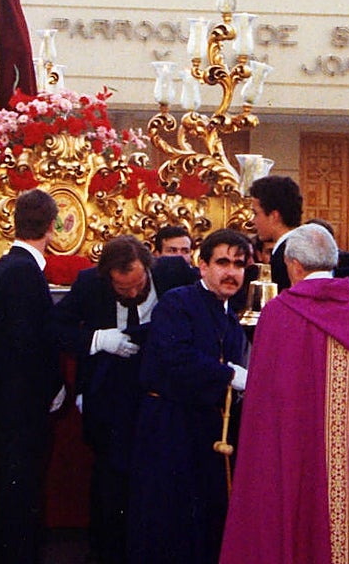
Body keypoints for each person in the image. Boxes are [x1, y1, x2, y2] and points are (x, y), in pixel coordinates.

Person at [220, 224, 349, 563]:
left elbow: (264, 404)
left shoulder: (278, 313)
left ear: (294, 264)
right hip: (348, 453)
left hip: (292, 450)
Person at [128, 228, 251, 564]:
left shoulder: (231, 316)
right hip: (169, 431)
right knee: (168, 527)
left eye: (238, 265)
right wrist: (228, 375)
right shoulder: (178, 302)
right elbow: (176, 357)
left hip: (204, 432)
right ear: (202, 265)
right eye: (222, 262)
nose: (231, 272)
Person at [50, 235, 162, 564]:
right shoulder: (88, 284)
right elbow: (55, 327)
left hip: (154, 392)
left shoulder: (173, 276)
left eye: (137, 284)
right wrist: (97, 339)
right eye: (121, 288)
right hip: (107, 394)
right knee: (109, 480)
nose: (131, 293)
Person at [0, 189, 65, 564]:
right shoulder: (23, 271)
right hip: (23, 403)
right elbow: (29, 341)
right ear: (52, 226)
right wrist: (55, 385)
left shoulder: (8, 266)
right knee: (21, 488)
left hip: (9, 399)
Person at [248, 175, 303, 289]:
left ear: (274, 216)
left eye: (256, 213)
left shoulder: (284, 255)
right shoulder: (304, 246)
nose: (253, 220)